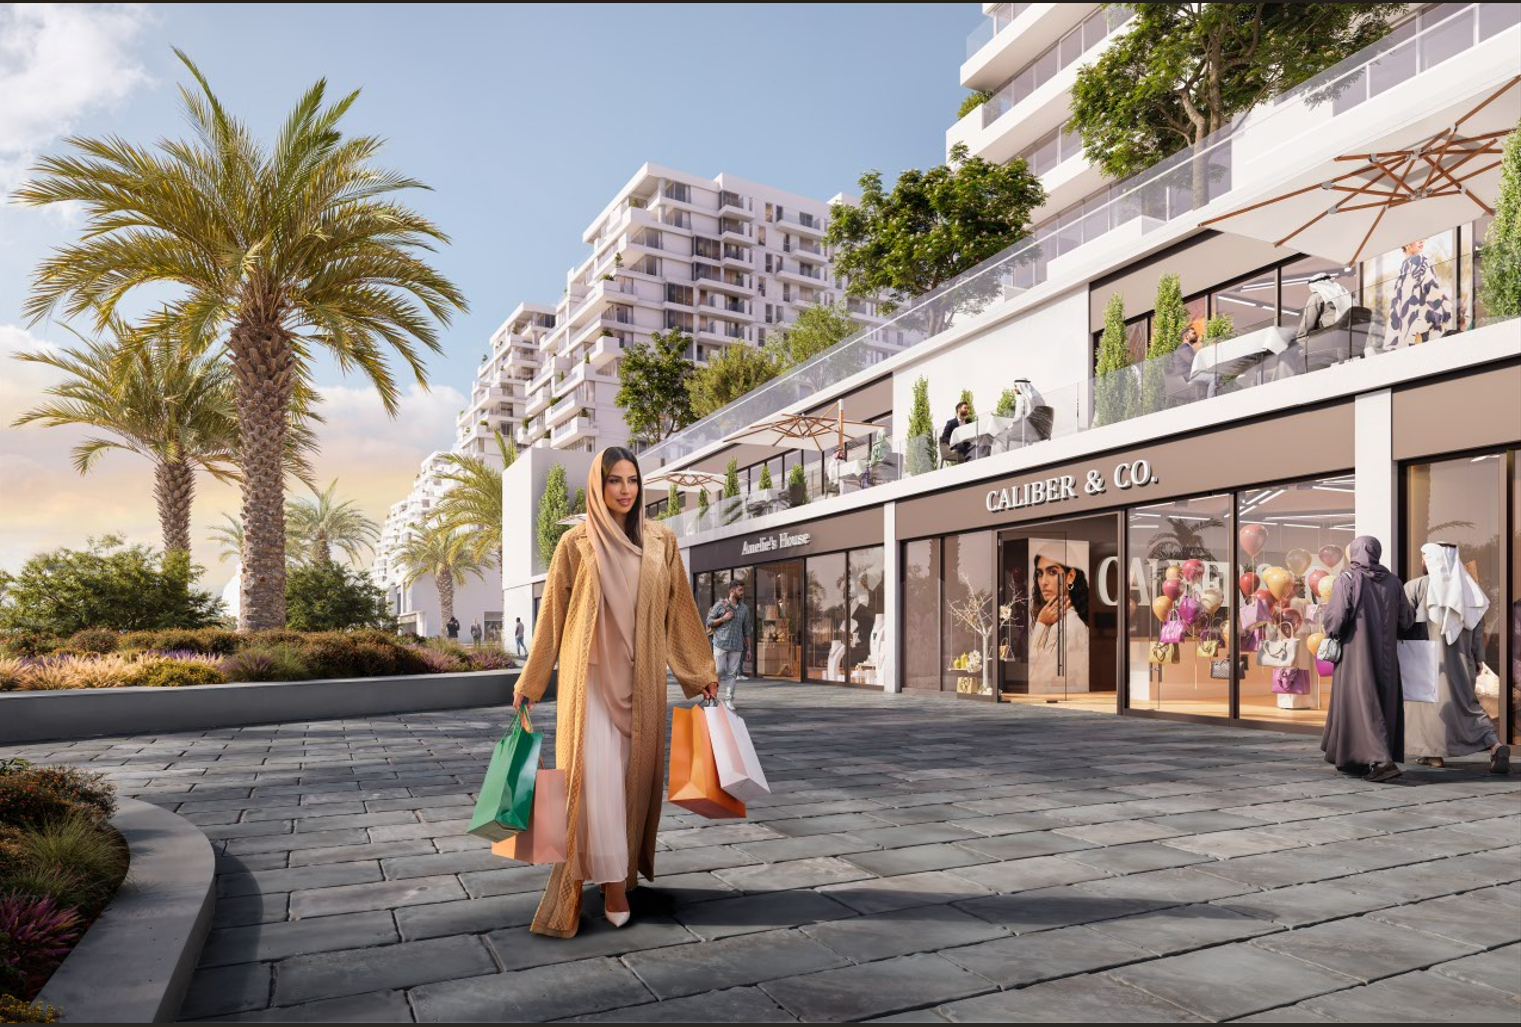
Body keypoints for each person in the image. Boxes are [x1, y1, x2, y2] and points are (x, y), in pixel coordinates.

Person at [511, 447, 719, 937]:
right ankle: (611, 885)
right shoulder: (575, 544)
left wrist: (699, 670)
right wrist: (531, 681)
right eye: (613, 481)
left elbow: (680, 612)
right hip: (590, 687)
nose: (624, 490)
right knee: (596, 784)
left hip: (642, 682)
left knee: (632, 783)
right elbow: (552, 621)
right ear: (597, 486)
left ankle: (618, 871)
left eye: (631, 480)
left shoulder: (662, 542)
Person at [1403, 543, 1509, 773]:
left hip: (1425, 661)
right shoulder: (1468, 590)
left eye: (1424, 558)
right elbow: (1478, 628)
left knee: (1430, 707)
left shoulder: (1416, 587)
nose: (1422, 562)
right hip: (1462, 660)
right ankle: (1493, 744)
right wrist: (1479, 657)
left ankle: (1435, 755)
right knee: (1466, 704)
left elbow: (1402, 621)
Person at [1320, 536, 1413, 782]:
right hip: (1387, 658)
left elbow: (1335, 619)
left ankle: (1381, 761)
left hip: (1356, 653)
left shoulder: (1348, 579)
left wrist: (1331, 632)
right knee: (1381, 702)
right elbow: (1406, 620)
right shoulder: (1394, 582)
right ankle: (1357, 759)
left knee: (1360, 703)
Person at [1028, 541, 1090, 693]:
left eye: (1052, 572)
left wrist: (1041, 624)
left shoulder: (1066, 627)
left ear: (1070, 576)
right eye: (1039, 574)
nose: (1044, 582)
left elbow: (1036, 682)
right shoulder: (1061, 622)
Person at [1385, 238, 1453, 350]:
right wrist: (1448, 310)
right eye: (1416, 239)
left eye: (1423, 238)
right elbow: (1432, 290)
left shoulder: (1403, 269)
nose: (1421, 241)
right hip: (1421, 328)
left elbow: (1397, 306)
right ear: (1406, 244)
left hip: (1407, 332)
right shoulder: (1419, 260)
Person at [706, 580, 753, 711]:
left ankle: (729, 700)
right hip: (721, 644)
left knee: (732, 674)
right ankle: (712, 699)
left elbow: (746, 630)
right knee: (718, 672)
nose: (742, 593)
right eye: (740, 590)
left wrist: (748, 648)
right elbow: (709, 622)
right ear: (732, 591)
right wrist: (723, 619)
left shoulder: (744, 609)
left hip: (737, 646)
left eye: (742, 590)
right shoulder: (720, 605)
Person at [1165, 324, 1213, 403]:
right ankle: (1211, 402)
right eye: (1193, 333)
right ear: (1186, 337)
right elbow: (1191, 360)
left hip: (1187, 376)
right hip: (1186, 377)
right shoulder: (1184, 347)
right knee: (1214, 377)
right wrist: (1200, 350)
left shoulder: (1186, 348)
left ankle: (1208, 400)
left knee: (1211, 378)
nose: (1196, 335)